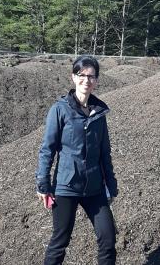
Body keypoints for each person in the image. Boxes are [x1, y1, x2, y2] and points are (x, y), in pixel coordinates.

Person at [36, 55, 118, 265]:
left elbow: (104, 152)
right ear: (74, 77)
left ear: (97, 80)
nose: (87, 80)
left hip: (94, 187)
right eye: (82, 75)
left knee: (108, 238)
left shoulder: (99, 113)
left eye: (91, 76)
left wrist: (111, 183)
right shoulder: (60, 109)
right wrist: (43, 184)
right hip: (66, 186)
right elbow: (48, 149)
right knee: (60, 241)